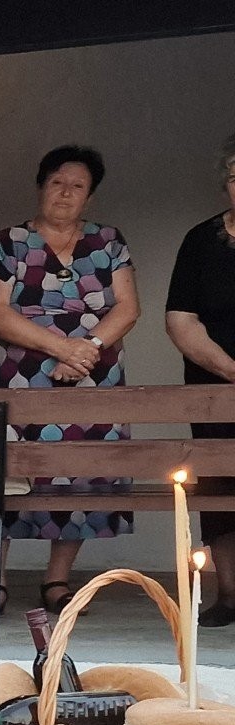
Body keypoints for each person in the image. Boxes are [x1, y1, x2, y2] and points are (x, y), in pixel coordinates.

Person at [0, 145, 140, 619]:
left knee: (79, 473)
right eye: (56, 182)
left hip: (93, 376)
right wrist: (62, 348)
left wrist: (87, 350)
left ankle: (57, 581)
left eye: (77, 186)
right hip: (20, 378)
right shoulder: (11, 241)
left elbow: (128, 307)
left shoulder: (108, 241)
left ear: (89, 196)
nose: (65, 193)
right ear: (42, 186)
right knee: (2, 473)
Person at [168, 134, 235, 625]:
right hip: (214, 386)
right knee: (218, 489)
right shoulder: (201, 240)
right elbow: (181, 320)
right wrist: (232, 371)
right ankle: (230, 594)